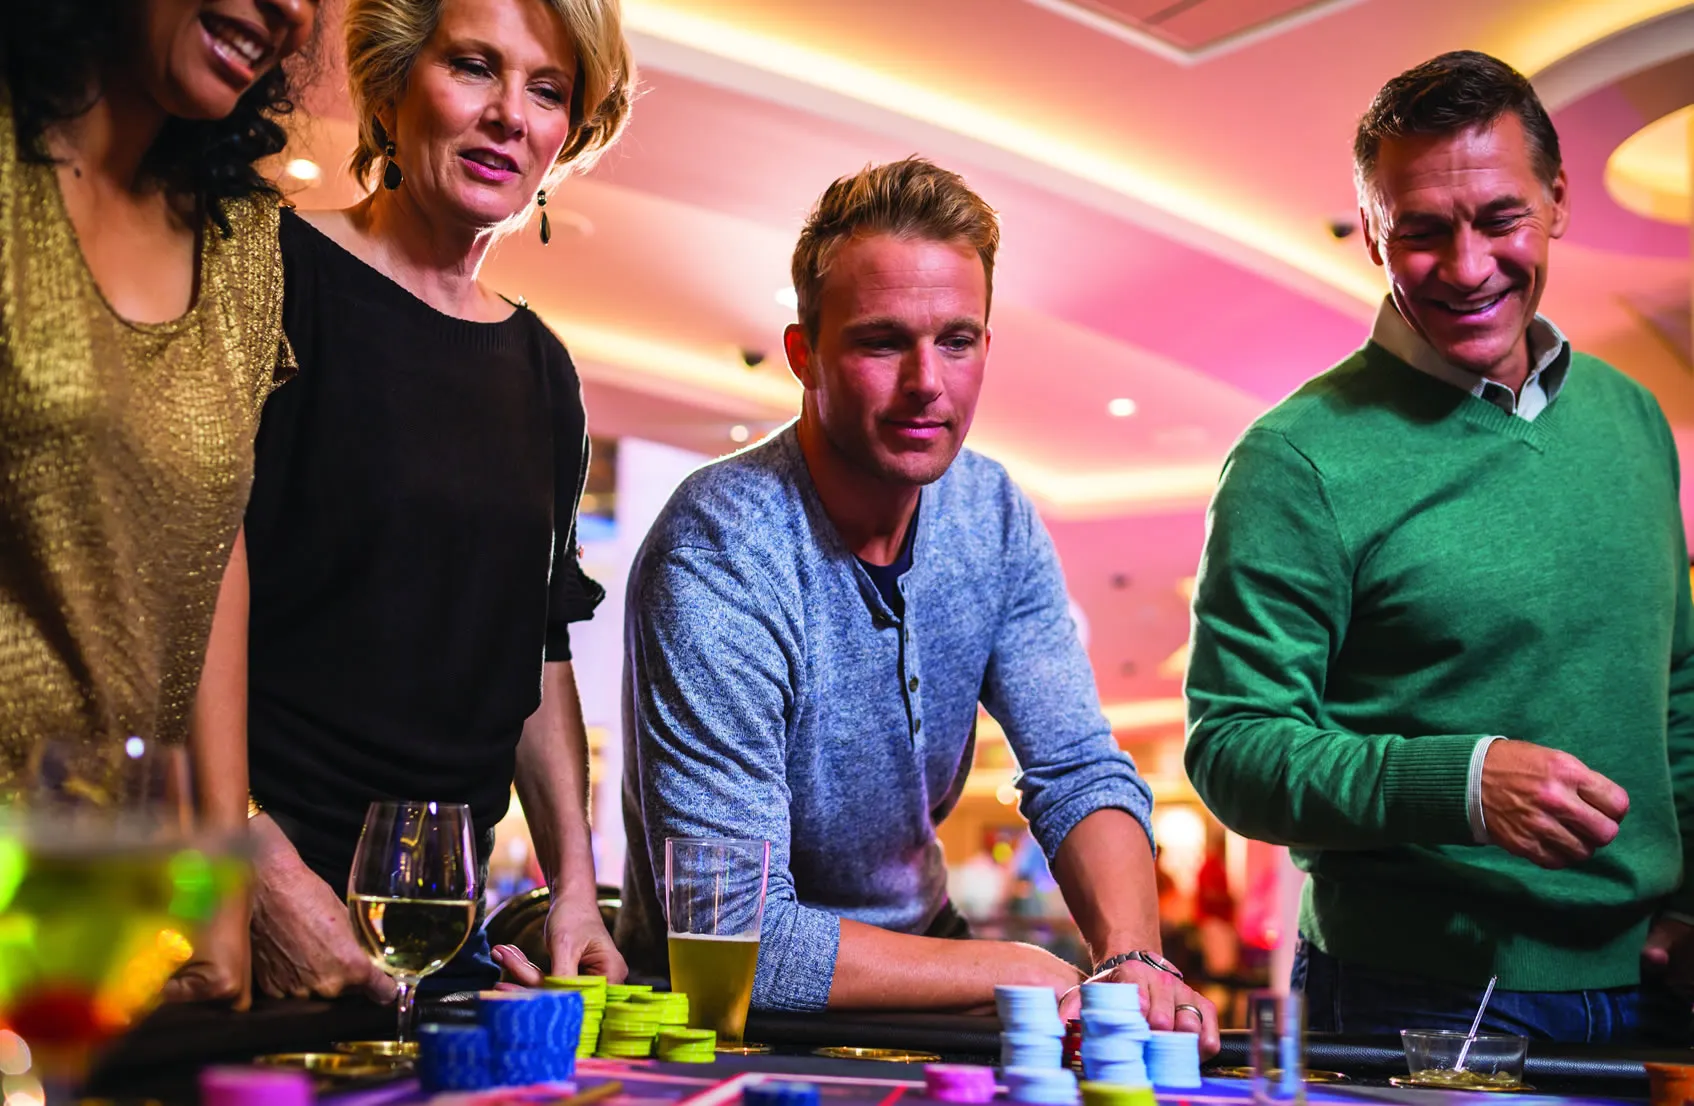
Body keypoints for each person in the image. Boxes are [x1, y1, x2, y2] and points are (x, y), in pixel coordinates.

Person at [618, 158, 1220, 1053]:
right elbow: (734, 936)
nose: (926, 381)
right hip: (728, 1013)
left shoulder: (994, 513)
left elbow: (1078, 769)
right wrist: (1023, 968)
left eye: (957, 340)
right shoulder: (719, 547)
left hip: (927, 968)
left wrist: (1135, 956)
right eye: (881, 342)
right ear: (804, 356)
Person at [1185, 50, 1694, 1042]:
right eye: (1421, 231)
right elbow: (1233, 747)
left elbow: (1676, 686)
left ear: (1556, 200)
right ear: (1371, 233)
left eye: (1499, 218)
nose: (1466, 267)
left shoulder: (1632, 418)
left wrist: (1689, 900)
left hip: (1654, 979)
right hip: (1416, 990)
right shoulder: (1295, 458)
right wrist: (1459, 783)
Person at [236, 0, 634, 1000]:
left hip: (438, 925)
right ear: (392, 86)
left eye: (547, 90)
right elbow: (173, 602)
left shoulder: (544, 371)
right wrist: (256, 872)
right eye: (473, 67)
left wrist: (574, 889)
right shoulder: (270, 273)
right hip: (254, 902)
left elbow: (539, 649)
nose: (510, 115)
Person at [0, 0, 319, 1007]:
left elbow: (213, 543)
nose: (291, 9)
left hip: (107, 892)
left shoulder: (242, 237)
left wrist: (223, 869)